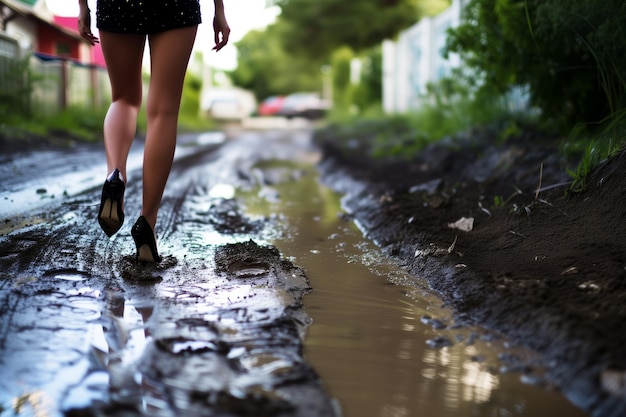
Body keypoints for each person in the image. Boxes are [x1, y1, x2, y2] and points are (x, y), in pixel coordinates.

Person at [78, 0, 230, 263]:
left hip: (117, 5)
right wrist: (220, 11)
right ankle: (147, 223)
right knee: (164, 111)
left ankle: (115, 174)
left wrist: (83, 8)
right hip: (175, 7)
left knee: (123, 99)